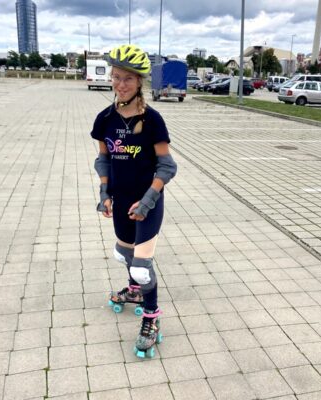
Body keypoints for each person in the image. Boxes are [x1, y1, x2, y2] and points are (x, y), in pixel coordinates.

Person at [90, 44, 177, 357]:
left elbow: (167, 166)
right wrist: (104, 193)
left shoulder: (152, 120)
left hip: (147, 203)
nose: (121, 83)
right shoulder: (105, 119)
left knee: (141, 267)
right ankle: (136, 293)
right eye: (116, 77)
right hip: (121, 201)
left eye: (128, 78)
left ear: (140, 81)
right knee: (123, 254)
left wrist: (147, 200)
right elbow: (103, 160)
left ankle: (152, 318)